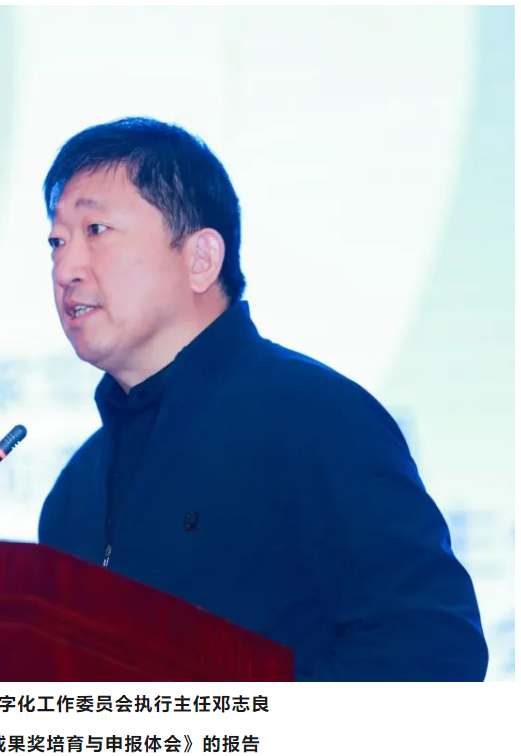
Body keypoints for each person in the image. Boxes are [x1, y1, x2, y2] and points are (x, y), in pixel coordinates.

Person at [37, 117, 487, 681]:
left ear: (201, 258)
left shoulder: (315, 417)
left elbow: (433, 646)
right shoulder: (75, 491)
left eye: (96, 230)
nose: (66, 268)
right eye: (56, 242)